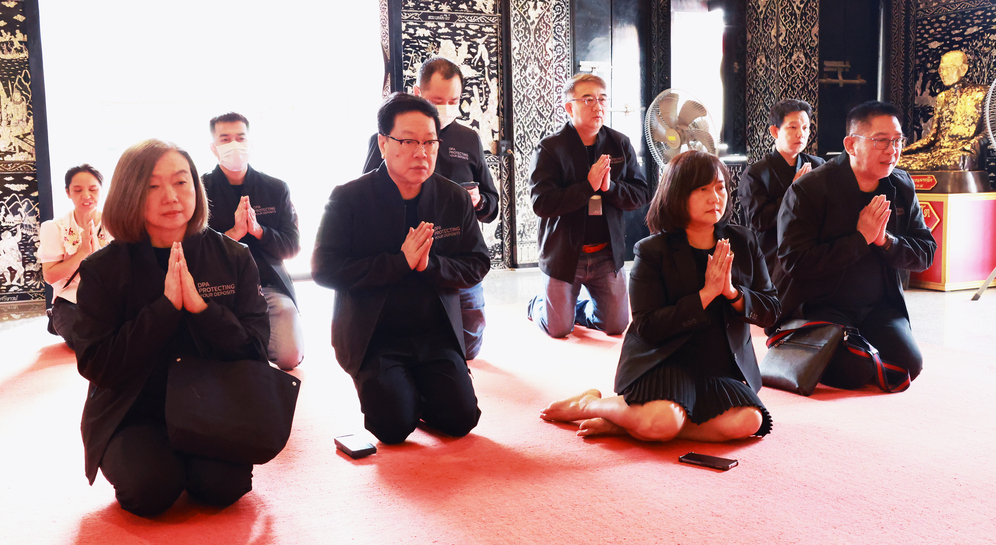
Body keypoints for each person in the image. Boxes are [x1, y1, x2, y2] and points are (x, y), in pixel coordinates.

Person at [74, 140, 269, 517]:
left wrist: (202, 309)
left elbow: (257, 350)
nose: (171, 196)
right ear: (129, 193)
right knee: (150, 490)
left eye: (181, 182)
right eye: (152, 186)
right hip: (134, 409)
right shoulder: (103, 269)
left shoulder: (233, 257)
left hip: (214, 403)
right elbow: (97, 365)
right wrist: (164, 309)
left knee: (222, 487)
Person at [541, 150, 778, 441]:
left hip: (719, 367)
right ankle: (590, 404)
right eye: (702, 190)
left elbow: (771, 310)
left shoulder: (743, 241)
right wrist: (706, 295)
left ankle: (628, 422)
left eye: (720, 188)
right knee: (665, 420)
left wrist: (731, 292)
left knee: (750, 421)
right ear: (678, 194)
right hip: (664, 361)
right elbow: (648, 327)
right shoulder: (652, 250)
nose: (715, 198)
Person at [313, 93, 490, 444]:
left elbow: (477, 262)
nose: (421, 152)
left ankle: (418, 391)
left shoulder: (453, 197)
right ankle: (399, 393)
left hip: (435, 332)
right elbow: (325, 269)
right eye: (408, 141)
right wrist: (399, 263)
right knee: (392, 428)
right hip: (375, 336)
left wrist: (429, 265)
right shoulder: (348, 198)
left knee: (461, 420)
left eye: (429, 142)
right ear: (383, 143)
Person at [777, 101, 936, 389]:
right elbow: (794, 262)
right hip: (819, 308)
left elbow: (926, 252)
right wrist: (860, 239)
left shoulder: (901, 185)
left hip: (878, 308)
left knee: (909, 365)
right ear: (851, 145)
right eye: (881, 141)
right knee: (855, 371)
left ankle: (863, 352)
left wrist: (884, 241)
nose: (892, 150)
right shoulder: (810, 189)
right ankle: (795, 343)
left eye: (897, 140)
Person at [362, 56, 498, 360]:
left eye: (453, 101)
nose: (446, 108)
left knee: (469, 348)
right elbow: (366, 199)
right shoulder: (387, 139)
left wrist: (478, 201)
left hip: (456, 257)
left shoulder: (468, 139)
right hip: (405, 257)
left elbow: (492, 206)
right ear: (418, 93)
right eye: (437, 101)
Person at [527, 73, 652, 338]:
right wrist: (587, 186)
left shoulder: (619, 144)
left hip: (605, 254)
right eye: (588, 99)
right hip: (564, 255)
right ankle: (538, 304)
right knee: (559, 329)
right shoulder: (550, 148)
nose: (598, 106)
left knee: (616, 326)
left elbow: (641, 194)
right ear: (569, 107)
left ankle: (574, 308)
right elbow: (541, 203)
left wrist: (610, 188)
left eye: (602, 99)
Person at [203, 112, 304, 370]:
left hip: (267, 285)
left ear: (250, 143)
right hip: (218, 288)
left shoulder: (275, 188)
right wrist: (234, 234)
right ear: (213, 148)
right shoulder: (200, 190)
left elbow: (292, 246)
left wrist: (259, 231)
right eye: (225, 139)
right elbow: (197, 251)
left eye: (240, 138)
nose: (234, 145)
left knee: (290, 356)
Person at [738, 99, 825, 288]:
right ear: (775, 131)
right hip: (773, 258)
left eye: (805, 127)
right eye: (793, 127)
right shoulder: (756, 174)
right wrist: (793, 191)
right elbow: (759, 221)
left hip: (812, 253)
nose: (801, 134)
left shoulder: (818, 166)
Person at [38, 165, 112, 348]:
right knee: (82, 336)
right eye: (78, 190)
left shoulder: (115, 225)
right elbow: (50, 276)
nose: (86, 195)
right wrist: (82, 253)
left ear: (102, 191)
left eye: (93, 189)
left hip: (109, 299)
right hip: (71, 301)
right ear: (68, 192)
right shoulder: (54, 228)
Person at [898, 50, 988, 171]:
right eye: (941, 69)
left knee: (957, 160)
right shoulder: (942, 98)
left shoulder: (982, 93)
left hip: (962, 153)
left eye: (948, 68)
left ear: (963, 69)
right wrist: (904, 151)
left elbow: (989, 132)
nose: (943, 74)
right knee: (898, 161)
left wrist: (969, 146)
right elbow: (932, 137)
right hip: (938, 154)